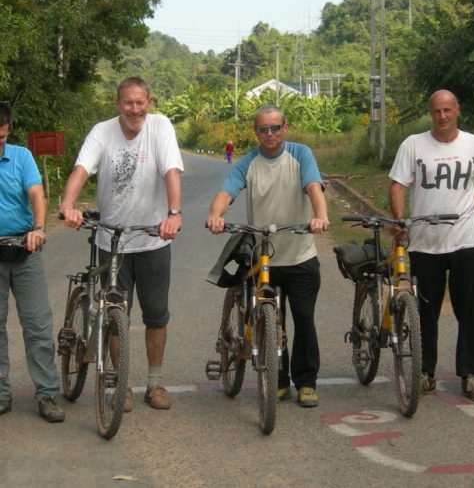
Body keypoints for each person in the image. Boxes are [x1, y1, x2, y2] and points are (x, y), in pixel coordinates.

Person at [60, 77, 184, 412]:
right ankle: (122, 383)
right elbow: (80, 170)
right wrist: (68, 205)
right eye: (128, 103)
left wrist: (173, 213)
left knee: (156, 315)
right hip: (111, 239)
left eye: (140, 102)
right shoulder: (102, 132)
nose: (134, 109)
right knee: (116, 314)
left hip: (153, 239)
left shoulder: (160, 127)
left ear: (150, 102)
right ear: (118, 104)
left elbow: (172, 171)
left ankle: (155, 383)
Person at [207, 104, 329, 407]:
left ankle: (306, 382)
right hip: (264, 260)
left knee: (303, 319)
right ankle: (279, 380)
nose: (270, 133)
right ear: (256, 132)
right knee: (272, 322)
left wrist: (320, 216)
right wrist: (215, 214)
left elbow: (314, 186)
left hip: (300, 254)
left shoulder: (301, 154)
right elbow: (226, 192)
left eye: (276, 127)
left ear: (285, 127)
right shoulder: (248, 163)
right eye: (264, 129)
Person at [389, 89, 474, 402]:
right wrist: (400, 222)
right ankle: (426, 373)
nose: (443, 116)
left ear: (458, 111)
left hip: (466, 240)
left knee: (468, 311)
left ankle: (470, 375)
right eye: (437, 111)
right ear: (430, 113)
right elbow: (397, 186)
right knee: (426, 313)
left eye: (448, 110)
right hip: (425, 243)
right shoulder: (413, 144)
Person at [0, 104, 65, 422]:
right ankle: (1, 393)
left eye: (0, 136)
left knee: (38, 326)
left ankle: (48, 394)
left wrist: (39, 228)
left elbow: (37, 194)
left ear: (8, 129)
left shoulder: (21, 157)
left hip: (24, 250)